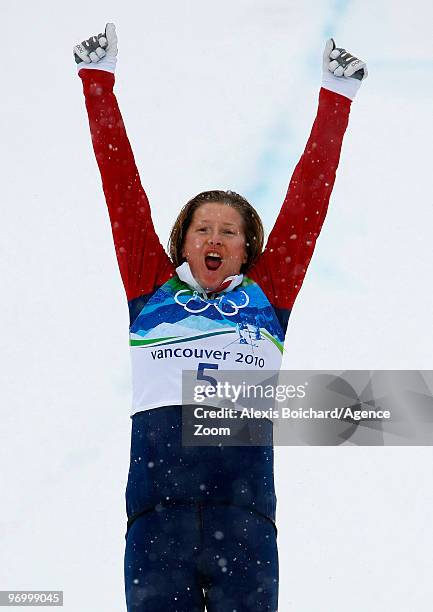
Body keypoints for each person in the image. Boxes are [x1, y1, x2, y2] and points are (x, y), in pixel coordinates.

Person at [74, 23, 367, 612]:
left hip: (246, 521)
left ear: (247, 249)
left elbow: (306, 204)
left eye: (228, 232)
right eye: (203, 229)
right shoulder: (149, 293)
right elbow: (122, 192)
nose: (215, 238)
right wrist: (97, 83)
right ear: (182, 244)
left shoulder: (268, 299)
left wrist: (338, 98)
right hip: (158, 520)